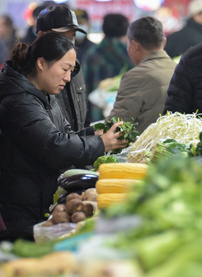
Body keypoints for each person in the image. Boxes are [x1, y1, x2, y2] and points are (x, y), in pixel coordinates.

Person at [0, 32, 127, 241]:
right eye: (65, 69)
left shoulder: (44, 94)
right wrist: (101, 144)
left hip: (38, 199)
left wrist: (93, 134)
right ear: (41, 63)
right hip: (19, 209)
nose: (68, 78)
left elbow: (64, 135)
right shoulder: (19, 101)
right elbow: (54, 147)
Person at [106, 17, 177, 133]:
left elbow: (117, 124)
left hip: (145, 149)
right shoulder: (180, 70)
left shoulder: (135, 77)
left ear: (134, 46)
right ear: (164, 42)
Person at [36, 5, 91, 132]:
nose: (68, 43)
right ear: (41, 35)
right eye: (61, 36)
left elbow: (83, 117)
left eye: (72, 36)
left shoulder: (76, 68)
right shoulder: (32, 74)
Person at [83, 13, 133, 121]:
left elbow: (84, 85)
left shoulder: (92, 53)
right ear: (126, 31)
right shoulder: (130, 54)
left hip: (96, 113)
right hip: (123, 113)